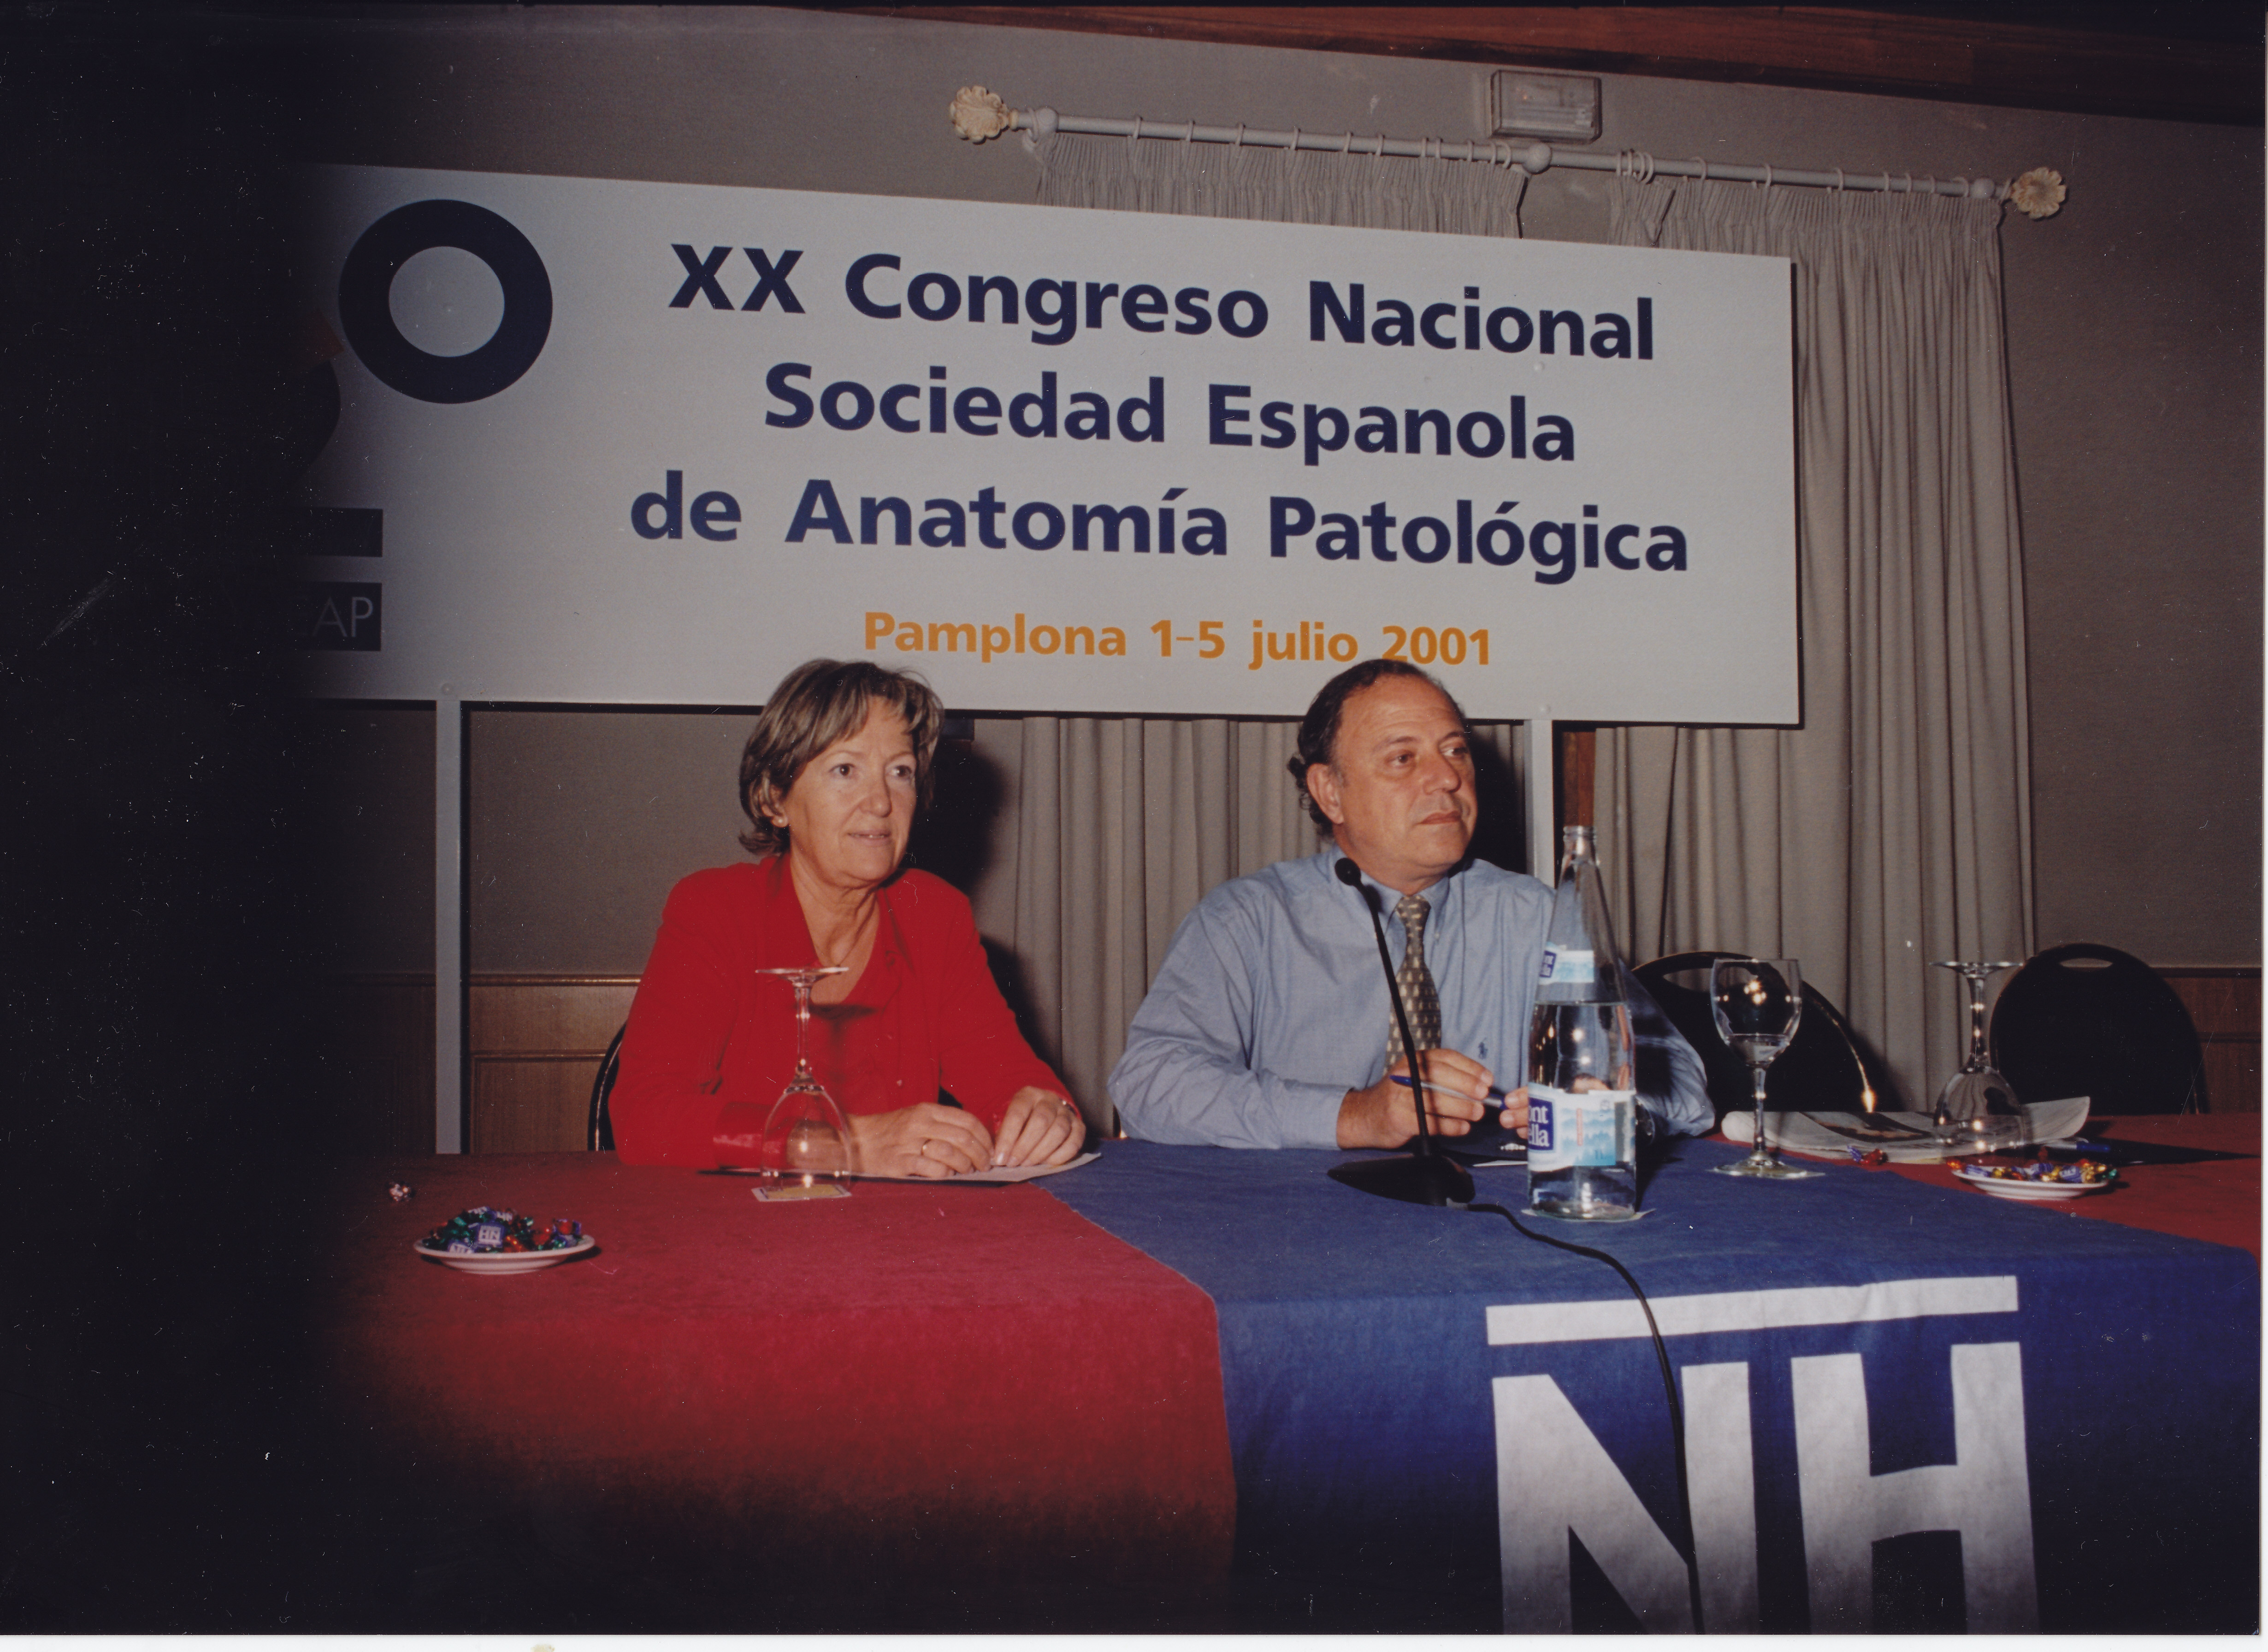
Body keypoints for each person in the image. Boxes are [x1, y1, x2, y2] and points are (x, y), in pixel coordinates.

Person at [1108, 659, 1712, 1150]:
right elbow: (1149, 1082)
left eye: (1455, 751)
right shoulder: (1247, 921)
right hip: (1302, 1226)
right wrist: (1356, 1116)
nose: (1446, 778)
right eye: (1404, 758)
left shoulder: (1538, 917)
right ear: (1330, 792)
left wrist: (1608, 1104)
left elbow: (1682, 1081)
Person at [611, 659, 1085, 1176]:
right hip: (747, 1218)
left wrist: (1044, 1114)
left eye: (900, 772)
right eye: (845, 770)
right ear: (774, 799)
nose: (880, 802)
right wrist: (845, 1144)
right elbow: (645, 1117)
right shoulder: (715, 910)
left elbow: (1012, 1082)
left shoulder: (935, 916)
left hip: (898, 1223)